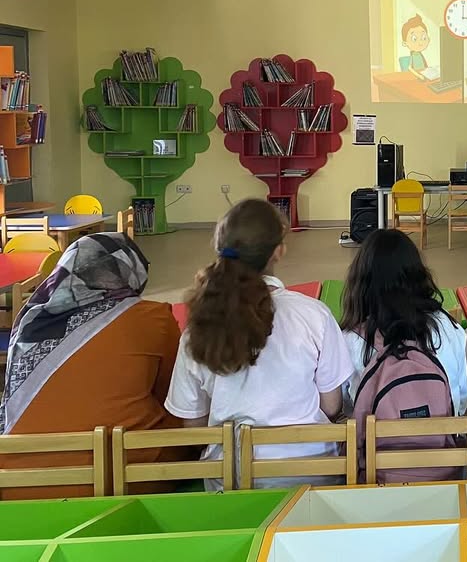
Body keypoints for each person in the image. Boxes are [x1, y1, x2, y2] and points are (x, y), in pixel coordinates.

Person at [166, 199, 353, 489]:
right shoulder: (312, 314)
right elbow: (331, 405)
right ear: (279, 251)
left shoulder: (197, 327)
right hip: (312, 473)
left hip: (230, 480)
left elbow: (192, 423)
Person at [0, 233, 185, 500]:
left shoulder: (30, 321)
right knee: (188, 419)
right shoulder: (152, 318)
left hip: (17, 482)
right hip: (121, 478)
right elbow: (171, 396)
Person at [339, 228, 467, 482]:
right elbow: (460, 401)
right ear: (418, 273)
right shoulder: (449, 329)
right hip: (445, 471)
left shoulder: (350, 340)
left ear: (361, 280)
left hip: (375, 476)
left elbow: (346, 409)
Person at [399, 15, 432, 79]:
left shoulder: (420, 55)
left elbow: (425, 66)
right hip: (417, 78)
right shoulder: (413, 56)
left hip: (424, 77)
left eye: (424, 37)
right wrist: (419, 76)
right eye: (414, 39)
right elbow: (410, 68)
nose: (420, 42)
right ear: (405, 43)